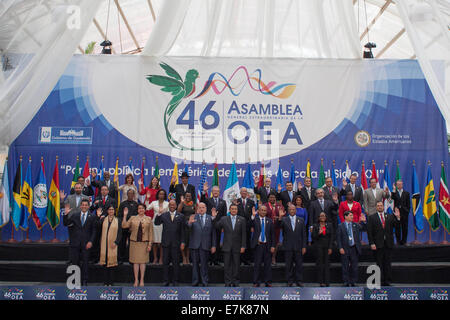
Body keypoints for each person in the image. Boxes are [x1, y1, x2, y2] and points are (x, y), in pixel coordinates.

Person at [63, 199, 96, 286]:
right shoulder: (75, 215)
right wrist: (66, 214)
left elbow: (94, 231)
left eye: (86, 205)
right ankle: (76, 281)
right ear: (80, 206)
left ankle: (85, 281)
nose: (84, 206)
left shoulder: (92, 217)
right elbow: (66, 223)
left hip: (86, 244)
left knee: (85, 263)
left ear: (88, 206)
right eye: (83, 205)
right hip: (76, 243)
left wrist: (91, 242)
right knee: (75, 263)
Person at [212, 203, 246, 287]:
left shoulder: (242, 219)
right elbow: (216, 226)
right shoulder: (224, 219)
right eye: (232, 209)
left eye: (235, 209)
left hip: (237, 247)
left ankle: (235, 282)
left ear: (237, 210)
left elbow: (244, 234)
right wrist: (214, 217)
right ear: (229, 210)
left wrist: (243, 246)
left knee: (236, 266)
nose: (234, 210)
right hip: (227, 246)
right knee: (227, 266)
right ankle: (227, 282)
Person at [367, 201, 401, 286]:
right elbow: (369, 232)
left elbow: (396, 226)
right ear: (376, 207)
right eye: (378, 206)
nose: (379, 207)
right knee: (379, 263)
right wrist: (371, 243)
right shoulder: (372, 217)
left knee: (387, 263)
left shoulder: (389, 216)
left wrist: (398, 218)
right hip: (377, 245)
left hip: (388, 244)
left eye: (381, 205)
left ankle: (388, 280)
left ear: (383, 207)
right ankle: (380, 281)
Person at [154, 200, 186, 286]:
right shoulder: (164, 215)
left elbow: (183, 230)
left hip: (176, 244)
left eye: (173, 204)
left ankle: (175, 281)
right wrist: (159, 214)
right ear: (168, 206)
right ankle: (166, 281)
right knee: (165, 263)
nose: (172, 206)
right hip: (166, 243)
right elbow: (156, 223)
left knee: (176, 264)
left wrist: (183, 242)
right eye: (170, 204)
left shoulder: (181, 216)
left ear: (176, 206)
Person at [122, 203, 153, 287]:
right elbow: (124, 226)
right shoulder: (133, 218)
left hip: (144, 243)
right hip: (134, 243)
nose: (141, 210)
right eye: (139, 208)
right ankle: (136, 280)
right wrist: (125, 216)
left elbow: (150, 233)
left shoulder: (149, 219)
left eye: (142, 208)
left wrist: (150, 244)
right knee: (135, 262)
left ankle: (142, 280)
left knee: (142, 263)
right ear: (137, 210)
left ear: (145, 209)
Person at [187, 202, 216, 286]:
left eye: (203, 207)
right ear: (197, 209)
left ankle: (204, 281)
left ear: (206, 208)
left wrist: (213, 245)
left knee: (204, 265)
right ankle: (195, 281)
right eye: (200, 207)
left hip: (206, 245)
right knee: (195, 265)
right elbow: (188, 227)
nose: (201, 209)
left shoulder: (211, 218)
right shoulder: (193, 217)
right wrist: (190, 223)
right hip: (195, 245)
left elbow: (213, 233)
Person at [277, 204, 307, 287]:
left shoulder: (301, 220)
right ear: (288, 211)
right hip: (288, 246)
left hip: (299, 246)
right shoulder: (284, 219)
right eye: (290, 209)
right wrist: (280, 217)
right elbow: (278, 226)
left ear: (296, 210)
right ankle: (289, 280)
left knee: (299, 264)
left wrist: (304, 246)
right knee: (288, 265)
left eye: (293, 209)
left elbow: (304, 234)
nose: (292, 211)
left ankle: (299, 280)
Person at [337, 210, 367, 287]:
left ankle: (353, 281)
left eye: (352, 215)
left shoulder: (355, 225)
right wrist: (340, 247)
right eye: (350, 215)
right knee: (345, 266)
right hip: (345, 248)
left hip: (354, 248)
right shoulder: (341, 226)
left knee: (354, 266)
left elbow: (364, 228)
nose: (352, 217)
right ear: (345, 217)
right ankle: (346, 281)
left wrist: (364, 221)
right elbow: (339, 238)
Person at [201, 183, 227, 265]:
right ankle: (209, 260)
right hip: (209, 224)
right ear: (212, 192)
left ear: (219, 192)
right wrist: (204, 192)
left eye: (217, 191)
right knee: (209, 242)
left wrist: (223, 226)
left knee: (217, 242)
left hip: (219, 226)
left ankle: (216, 260)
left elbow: (224, 215)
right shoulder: (208, 200)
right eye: (214, 191)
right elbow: (202, 201)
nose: (215, 192)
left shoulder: (223, 202)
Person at [250, 205, 276, 287]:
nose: (263, 212)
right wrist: (253, 216)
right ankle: (256, 282)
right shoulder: (255, 220)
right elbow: (248, 225)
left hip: (267, 246)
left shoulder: (270, 221)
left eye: (265, 210)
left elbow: (272, 235)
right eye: (262, 210)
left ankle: (268, 282)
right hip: (258, 245)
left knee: (267, 265)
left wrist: (273, 246)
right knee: (257, 265)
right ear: (259, 211)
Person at [96, 205, 122, 286]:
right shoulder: (103, 219)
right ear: (107, 211)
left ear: (114, 211)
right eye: (109, 209)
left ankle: (111, 282)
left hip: (113, 245)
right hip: (104, 245)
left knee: (111, 266)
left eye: (112, 209)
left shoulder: (118, 220)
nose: (111, 211)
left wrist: (116, 242)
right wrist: (98, 217)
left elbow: (120, 233)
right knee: (104, 265)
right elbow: (97, 227)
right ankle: (105, 282)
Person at [311, 212, 333, 287]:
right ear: (319, 217)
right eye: (321, 216)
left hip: (327, 247)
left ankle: (327, 281)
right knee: (320, 265)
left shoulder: (329, 225)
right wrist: (318, 233)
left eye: (324, 215)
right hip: (318, 248)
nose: (322, 217)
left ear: (326, 217)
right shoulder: (315, 225)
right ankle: (321, 281)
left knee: (327, 265)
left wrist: (330, 247)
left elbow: (331, 237)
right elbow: (313, 237)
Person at [147, 189, 169, 264]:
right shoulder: (154, 203)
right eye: (160, 194)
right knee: (155, 242)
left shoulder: (167, 203)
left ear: (165, 195)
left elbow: (170, 213)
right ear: (158, 195)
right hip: (155, 224)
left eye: (163, 194)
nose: (161, 195)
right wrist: (147, 198)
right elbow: (147, 208)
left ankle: (161, 259)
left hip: (164, 224)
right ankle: (155, 258)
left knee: (162, 242)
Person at [117, 189, 138, 263]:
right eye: (129, 193)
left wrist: (131, 225)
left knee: (132, 245)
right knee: (122, 243)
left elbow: (137, 216)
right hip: (123, 227)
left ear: (134, 195)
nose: (130, 195)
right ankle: (120, 259)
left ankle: (131, 259)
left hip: (132, 228)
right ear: (127, 194)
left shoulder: (136, 204)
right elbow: (119, 215)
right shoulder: (123, 204)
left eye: (132, 193)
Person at [236, 187, 255, 265]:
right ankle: (239, 260)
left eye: (245, 191)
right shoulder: (236, 201)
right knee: (238, 243)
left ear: (247, 193)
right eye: (242, 191)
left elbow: (253, 215)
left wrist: (252, 226)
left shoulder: (251, 202)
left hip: (248, 226)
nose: (244, 193)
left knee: (247, 243)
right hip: (238, 226)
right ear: (240, 193)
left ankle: (246, 260)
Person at [178, 192, 196, 264]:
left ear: (191, 197)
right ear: (184, 197)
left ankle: (188, 257)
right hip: (183, 225)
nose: (188, 197)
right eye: (186, 196)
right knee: (183, 242)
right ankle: (184, 257)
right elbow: (178, 211)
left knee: (188, 242)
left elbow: (196, 212)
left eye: (189, 196)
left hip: (190, 225)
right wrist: (182, 203)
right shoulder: (183, 203)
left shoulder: (193, 204)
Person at [264, 192, 282, 264]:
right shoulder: (265, 205)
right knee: (267, 242)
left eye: (273, 197)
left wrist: (278, 217)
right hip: (266, 227)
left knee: (276, 243)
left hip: (276, 227)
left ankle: (273, 257)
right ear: (268, 198)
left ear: (275, 198)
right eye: (270, 197)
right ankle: (267, 257)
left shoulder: (279, 206)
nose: (272, 198)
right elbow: (262, 214)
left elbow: (282, 215)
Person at [391, 180, 411, 245]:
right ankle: (398, 241)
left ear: (402, 185)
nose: (399, 186)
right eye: (398, 185)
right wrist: (393, 190)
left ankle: (404, 241)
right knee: (397, 228)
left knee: (405, 228)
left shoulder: (406, 193)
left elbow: (408, 204)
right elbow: (392, 198)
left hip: (404, 213)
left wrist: (407, 211)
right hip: (397, 214)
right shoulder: (394, 193)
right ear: (396, 186)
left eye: (400, 184)